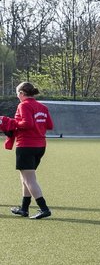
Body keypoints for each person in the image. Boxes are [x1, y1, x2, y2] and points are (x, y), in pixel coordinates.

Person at [3, 82, 54, 219]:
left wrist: (12, 123)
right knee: (25, 177)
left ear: (22, 93)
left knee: (29, 179)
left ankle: (44, 208)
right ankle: (24, 208)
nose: (17, 97)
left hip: (26, 145)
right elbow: (49, 125)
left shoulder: (23, 105)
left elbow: (27, 123)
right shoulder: (42, 107)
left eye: (17, 94)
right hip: (40, 146)